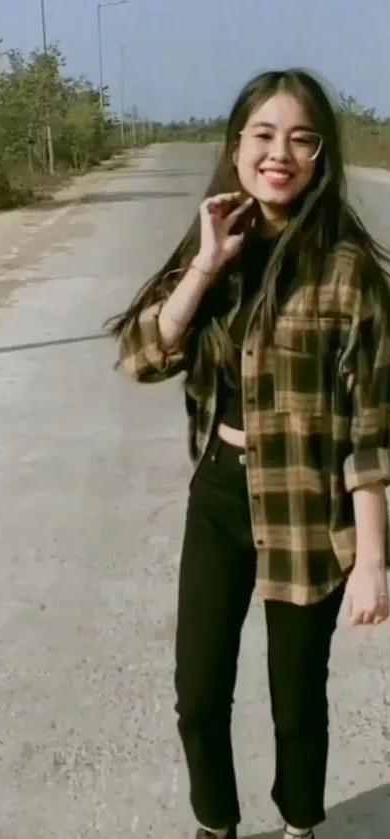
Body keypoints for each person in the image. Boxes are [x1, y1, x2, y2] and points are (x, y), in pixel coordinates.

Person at [106, 69, 390, 839]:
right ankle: (216, 824)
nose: (280, 154)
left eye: (301, 139)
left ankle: (300, 824)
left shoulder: (349, 273)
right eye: (263, 136)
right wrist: (204, 264)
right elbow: (142, 357)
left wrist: (371, 557)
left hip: (307, 503)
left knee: (297, 699)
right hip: (222, 493)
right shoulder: (216, 246)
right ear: (236, 146)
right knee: (197, 691)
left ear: (320, 155)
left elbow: (370, 427)